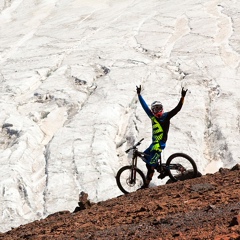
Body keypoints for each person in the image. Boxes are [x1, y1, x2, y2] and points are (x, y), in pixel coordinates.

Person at [136, 85, 188, 188]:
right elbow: (145, 107)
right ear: (153, 111)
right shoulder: (152, 117)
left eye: (159, 108)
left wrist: (182, 97)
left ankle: (161, 173)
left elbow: (177, 109)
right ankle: (151, 178)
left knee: (151, 163)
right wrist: (139, 95)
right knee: (146, 158)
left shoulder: (166, 116)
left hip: (160, 144)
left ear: (162, 109)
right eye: (155, 109)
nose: (157, 111)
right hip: (154, 144)